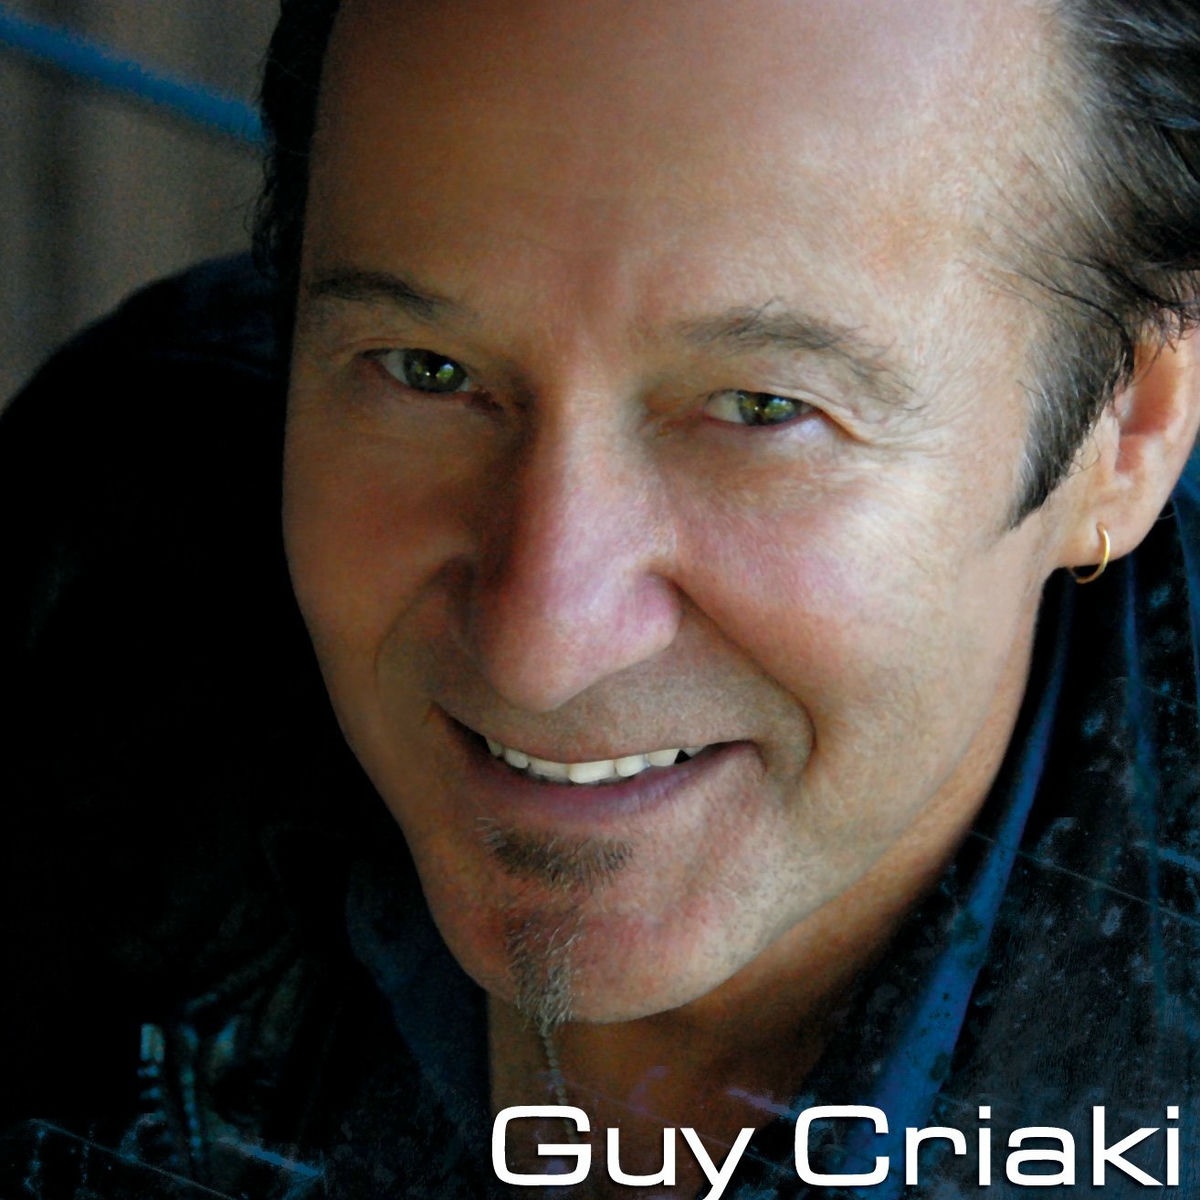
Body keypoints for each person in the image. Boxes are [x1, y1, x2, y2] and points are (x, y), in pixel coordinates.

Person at [3, 0, 1200, 1196]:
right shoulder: (107, 562)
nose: (541, 647)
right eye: (429, 372)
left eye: (762, 410)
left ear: (1129, 431)